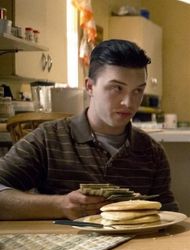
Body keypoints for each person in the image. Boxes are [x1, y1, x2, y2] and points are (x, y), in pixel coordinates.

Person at [0, 39, 178, 220]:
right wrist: (60, 206)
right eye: (117, 88)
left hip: (134, 247)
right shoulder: (48, 139)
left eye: (138, 91)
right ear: (90, 87)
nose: (129, 103)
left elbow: (168, 215)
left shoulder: (152, 152)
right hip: (62, 246)